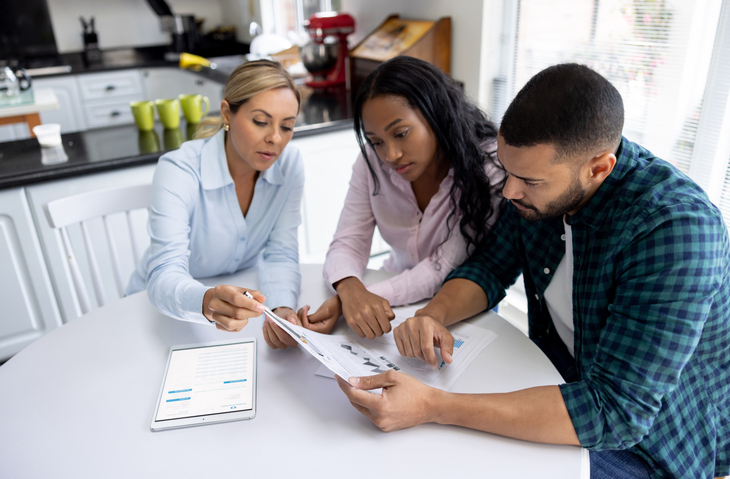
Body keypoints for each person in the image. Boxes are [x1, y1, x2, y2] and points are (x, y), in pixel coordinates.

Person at [336, 63, 730, 479]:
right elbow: (490, 266)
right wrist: (432, 315)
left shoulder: (675, 230)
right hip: (563, 371)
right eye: (507, 171)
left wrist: (434, 406)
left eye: (528, 181)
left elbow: (616, 413)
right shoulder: (539, 186)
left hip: (653, 440)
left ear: (599, 168)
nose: (508, 191)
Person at [278, 56, 504, 345]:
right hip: (389, 290)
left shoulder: (488, 168)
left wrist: (352, 301)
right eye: (376, 141)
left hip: (461, 306)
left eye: (401, 133)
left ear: (437, 116)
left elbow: (441, 266)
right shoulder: (371, 164)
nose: (390, 155)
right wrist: (349, 290)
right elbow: (348, 240)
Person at [126, 59, 305, 334]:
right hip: (163, 310)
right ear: (226, 113)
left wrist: (281, 309)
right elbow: (164, 273)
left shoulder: (289, 165)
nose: (275, 139)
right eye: (260, 122)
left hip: (236, 312)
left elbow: (280, 252)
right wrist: (207, 301)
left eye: (287, 126)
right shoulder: (179, 169)